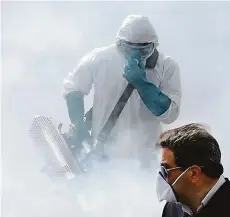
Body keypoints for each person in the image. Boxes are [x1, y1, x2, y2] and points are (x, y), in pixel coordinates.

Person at [62, 14, 182, 168]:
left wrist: (142, 83)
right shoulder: (100, 59)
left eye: (143, 50)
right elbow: (73, 87)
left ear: (154, 46)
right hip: (103, 152)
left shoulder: (166, 66)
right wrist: (79, 125)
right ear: (118, 44)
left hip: (145, 156)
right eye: (128, 49)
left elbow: (170, 114)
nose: (135, 55)